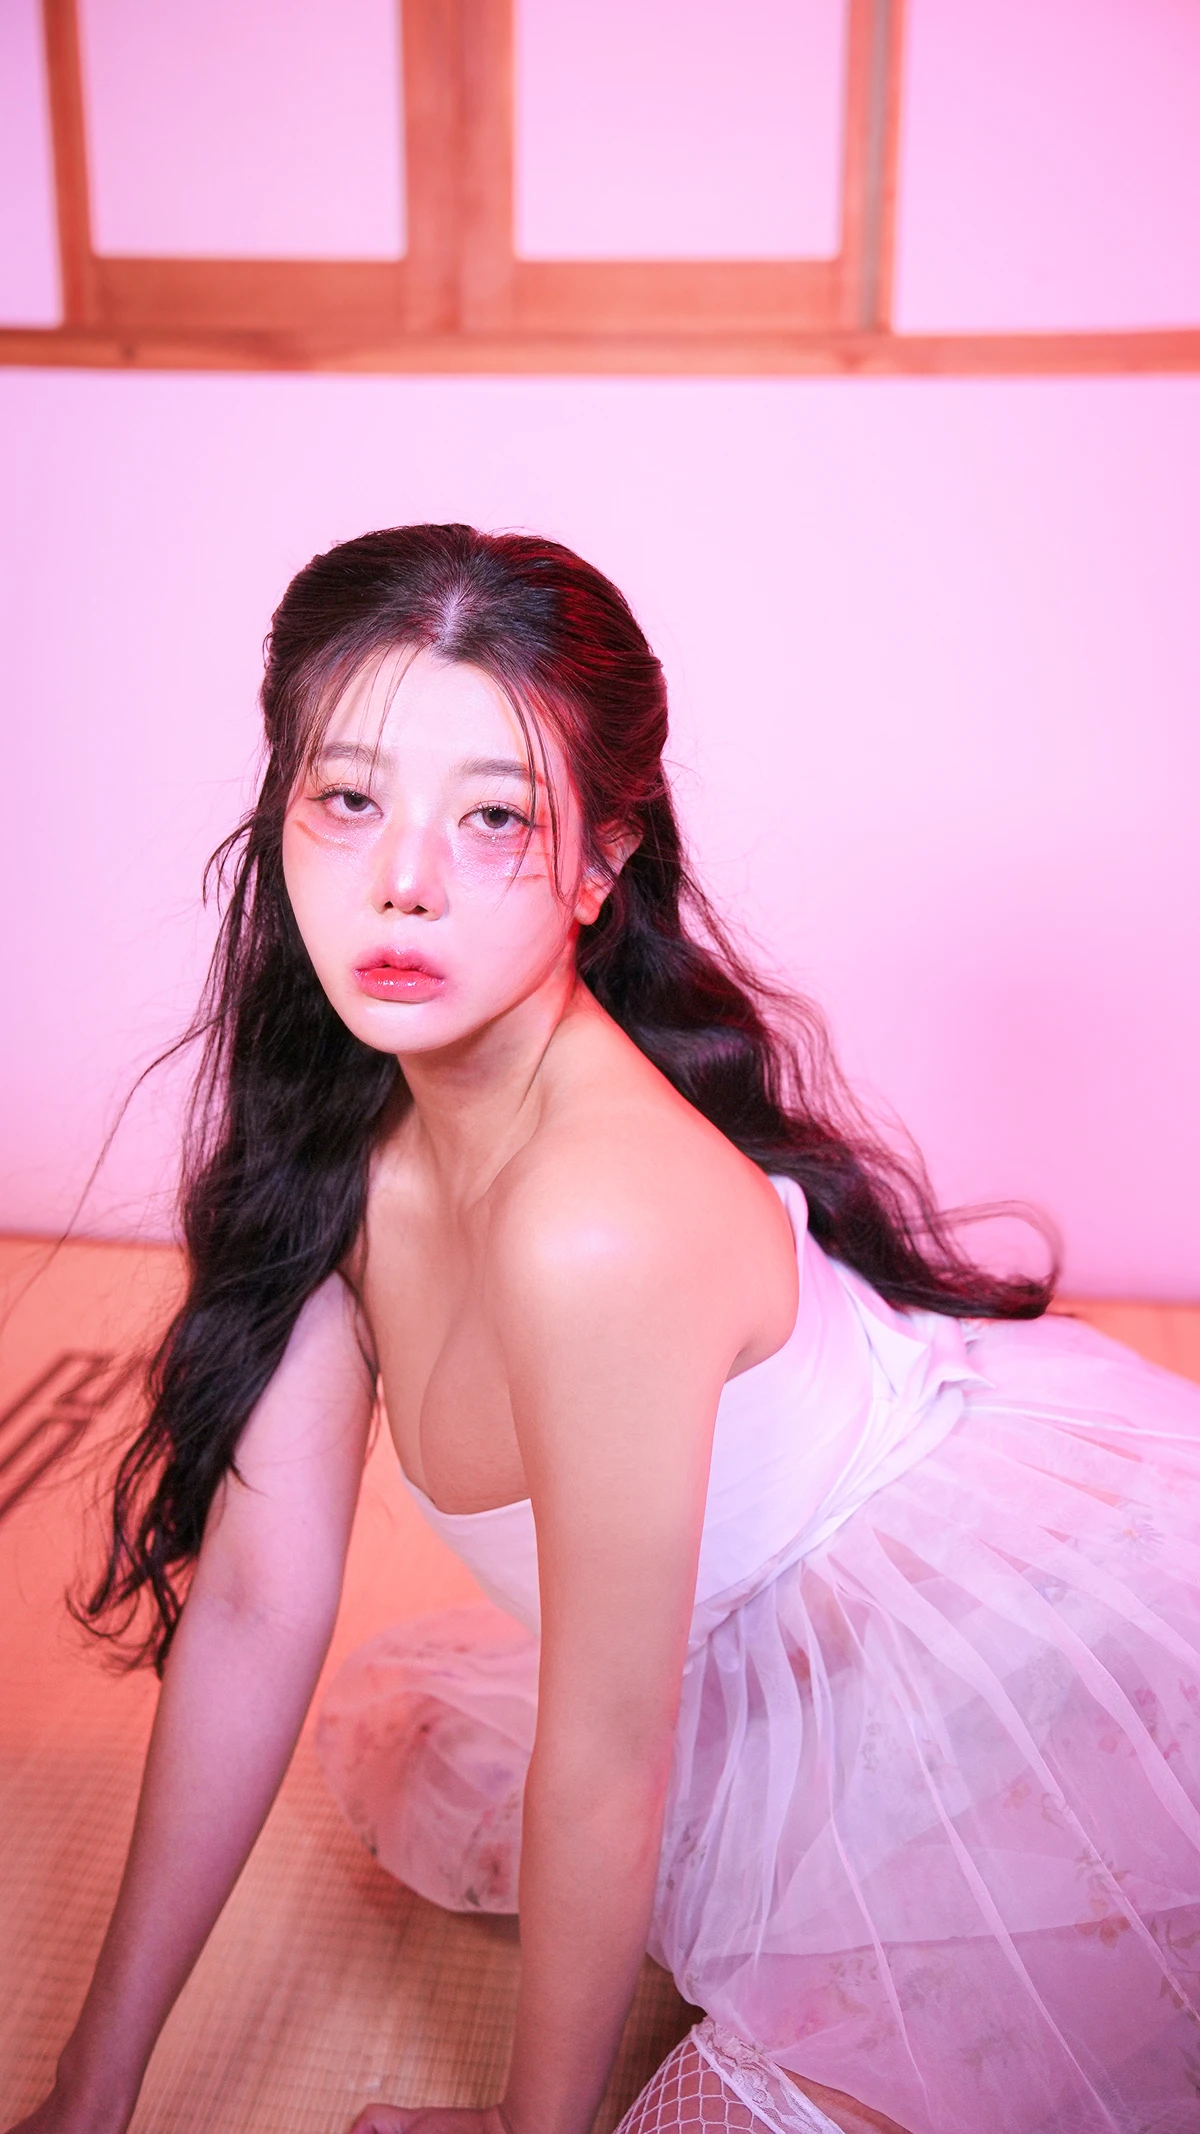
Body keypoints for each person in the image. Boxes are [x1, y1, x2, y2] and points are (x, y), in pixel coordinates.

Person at [10, 525, 1200, 2134]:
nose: (403, 878)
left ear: (598, 863)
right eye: (349, 798)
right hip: (724, 1688)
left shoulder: (599, 1220)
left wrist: (528, 2130)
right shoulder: (340, 1139)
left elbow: (609, 1749)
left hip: (993, 1688)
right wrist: (85, 2092)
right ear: (281, 808)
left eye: (494, 816)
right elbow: (255, 1603)